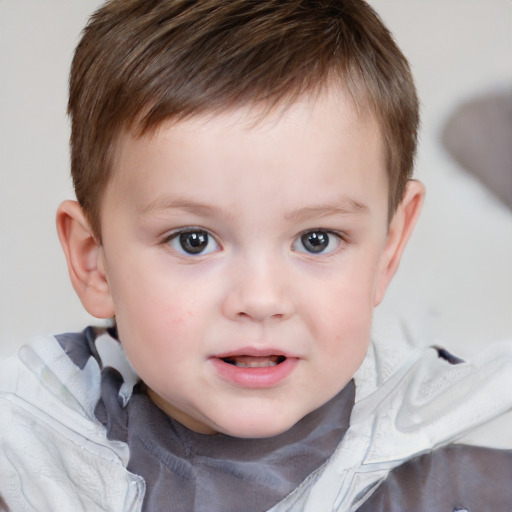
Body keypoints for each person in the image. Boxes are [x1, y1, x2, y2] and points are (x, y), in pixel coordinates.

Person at [0, 1, 511, 510]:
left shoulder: (462, 457)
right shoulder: (31, 451)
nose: (261, 300)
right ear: (95, 260)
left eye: (317, 239)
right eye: (193, 240)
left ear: (387, 248)